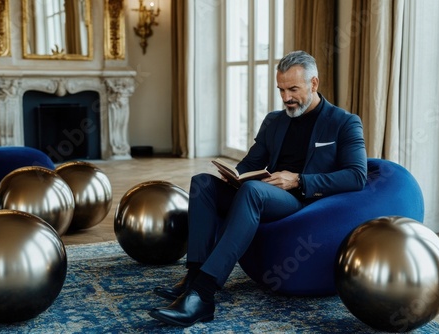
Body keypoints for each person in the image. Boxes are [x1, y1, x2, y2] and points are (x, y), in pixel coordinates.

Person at [148, 50, 367, 327]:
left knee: (252, 192)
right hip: (265, 192)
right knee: (202, 183)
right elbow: (251, 162)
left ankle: (202, 296)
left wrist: (299, 179)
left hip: (299, 199)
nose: (286, 97)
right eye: (281, 89)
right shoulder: (274, 121)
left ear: (314, 84)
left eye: (293, 89)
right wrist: (234, 175)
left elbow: (356, 176)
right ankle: (193, 277)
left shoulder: (344, 122)